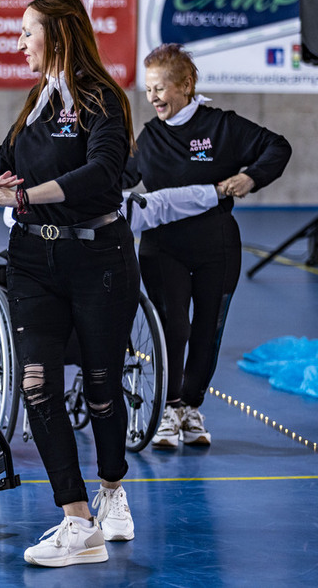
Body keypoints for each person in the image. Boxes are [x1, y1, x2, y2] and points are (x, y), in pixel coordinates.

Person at [0, 0, 140, 567]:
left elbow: (102, 175)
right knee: (37, 383)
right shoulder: (39, 99)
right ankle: (77, 521)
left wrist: (21, 194)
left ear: (60, 35)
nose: (19, 43)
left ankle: (113, 489)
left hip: (99, 259)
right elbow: (8, 156)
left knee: (100, 383)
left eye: (27, 33)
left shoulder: (102, 99)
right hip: (31, 261)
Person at [125, 43, 292, 450]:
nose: (153, 98)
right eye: (148, 90)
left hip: (217, 244)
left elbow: (277, 147)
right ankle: (168, 407)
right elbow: (119, 177)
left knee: (207, 332)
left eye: (160, 88)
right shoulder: (149, 138)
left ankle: (190, 406)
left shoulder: (223, 127)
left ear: (186, 84)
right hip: (163, 247)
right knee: (174, 328)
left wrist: (251, 177)